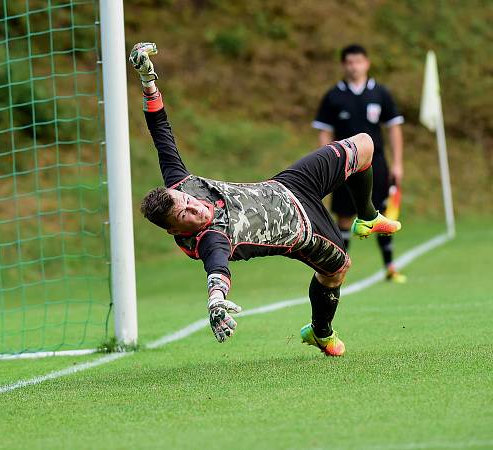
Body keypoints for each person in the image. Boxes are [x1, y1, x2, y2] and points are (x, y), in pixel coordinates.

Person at [129, 42, 401, 356]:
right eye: (186, 215)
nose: (194, 205)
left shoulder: (180, 185)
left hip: (291, 184)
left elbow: (160, 130)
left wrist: (148, 82)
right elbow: (217, 270)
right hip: (303, 230)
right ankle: (321, 332)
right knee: (338, 269)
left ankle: (367, 217)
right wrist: (216, 301)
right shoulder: (209, 238)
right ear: (177, 231)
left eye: (187, 201)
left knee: (364, 145)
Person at [312, 44, 406, 283]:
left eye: (359, 62)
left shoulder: (380, 93)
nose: (354, 67)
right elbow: (324, 132)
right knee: (344, 217)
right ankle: (339, 266)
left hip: (378, 164)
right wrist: (327, 163)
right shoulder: (334, 96)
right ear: (344, 65)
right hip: (344, 166)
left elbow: (394, 128)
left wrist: (398, 163)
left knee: (381, 214)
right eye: (350, 62)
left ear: (367, 63)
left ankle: (390, 266)